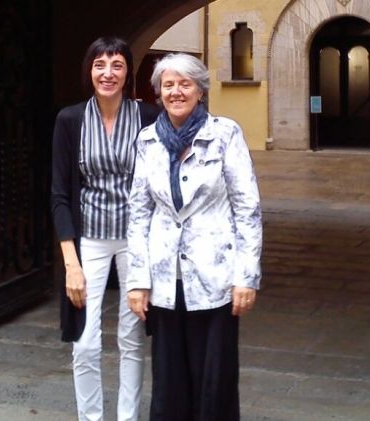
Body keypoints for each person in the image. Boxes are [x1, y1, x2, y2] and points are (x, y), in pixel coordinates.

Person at [126, 53, 263, 421]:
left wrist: (245, 277)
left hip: (216, 277)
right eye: (168, 85)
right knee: (169, 383)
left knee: (214, 382)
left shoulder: (224, 134)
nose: (176, 92)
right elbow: (139, 213)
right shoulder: (148, 140)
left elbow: (246, 208)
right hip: (164, 280)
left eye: (184, 84)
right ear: (158, 93)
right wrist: (137, 281)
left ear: (200, 90)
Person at [51, 36, 158, 421]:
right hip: (89, 240)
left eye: (116, 64)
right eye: (100, 64)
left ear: (129, 71)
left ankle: (127, 417)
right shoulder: (71, 120)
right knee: (84, 341)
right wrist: (71, 263)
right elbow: (60, 194)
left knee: (131, 338)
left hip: (136, 240)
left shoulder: (147, 117)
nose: (107, 73)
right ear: (89, 71)